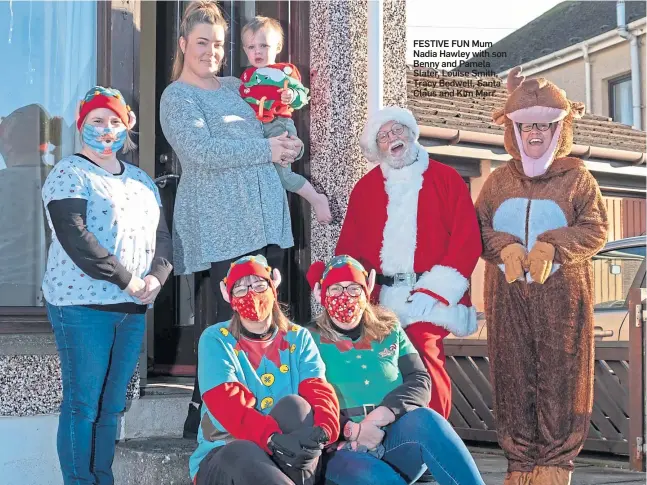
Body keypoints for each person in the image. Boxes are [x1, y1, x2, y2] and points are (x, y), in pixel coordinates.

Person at [158, 0, 303, 438]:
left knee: (268, 318)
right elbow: (201, 153)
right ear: (184, 44)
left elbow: (272, 123)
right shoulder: (176, 97)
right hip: (220, 223)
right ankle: (203, 415)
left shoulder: (237, 85)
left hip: (265, 216)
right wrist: (266, 151)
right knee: (224, 321)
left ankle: (269, 411)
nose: (211, 52)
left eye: (218, 44)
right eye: (202, 42)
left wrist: (288, 141)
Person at [475, 67, 608, 485]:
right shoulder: (497, 181)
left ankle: (553, 468)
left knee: (561, 378)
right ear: (514, 131)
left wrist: (553, 245)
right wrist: (505, 247)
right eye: (527, 126)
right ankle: (518, 468)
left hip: (563, 303)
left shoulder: (577, 178)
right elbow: (477, 228)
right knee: (512, 377)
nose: (535, 133)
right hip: (508, 302)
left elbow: (597, 228)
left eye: (544, 126)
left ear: (559, 128)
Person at [41, 85, 173, 485]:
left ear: (127, 129)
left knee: (111, 405)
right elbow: (76, 236)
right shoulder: (69, 172)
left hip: (131, 309)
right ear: (82, 125)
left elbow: (162, 237)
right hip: (80, 307)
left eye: (115, 121)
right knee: (83, 404)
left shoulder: (141, 180)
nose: (106, 129)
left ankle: (102, 477)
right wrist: (129, 280)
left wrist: (155, 277)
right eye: (97, 120)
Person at [335, 106, 482, 420]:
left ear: (410, 132)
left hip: (429, 293)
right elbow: (349, 248)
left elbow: (466, 239)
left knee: (425, 361)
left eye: (397, 130)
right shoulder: (364, 189)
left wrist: (437, 290)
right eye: (384, 136)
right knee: (380, 370)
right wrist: (341, 285)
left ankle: (436, 437)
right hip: (379, 300)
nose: (393, 139)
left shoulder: (446, 178)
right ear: (378, 148)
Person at [305, 255, 485, 485]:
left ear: (366, 290)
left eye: (353, 288)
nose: (344, 296)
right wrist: (352, 431)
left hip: (391, 436)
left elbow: (419, 380)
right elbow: (305, 402)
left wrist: (377, 419)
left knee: (426, 419)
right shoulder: (307, 339)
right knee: (379, 479)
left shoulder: (390, 329)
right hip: (341, 451)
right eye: (336, 289)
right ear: (322, 294)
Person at [190, 254, 340, 485]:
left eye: (259, 285)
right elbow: (227, 403)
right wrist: (270, 438)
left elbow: (318, 389)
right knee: (241, 451)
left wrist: (324, 430)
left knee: (296, 406)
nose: (251, 294)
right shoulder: (215, 339)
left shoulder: (299, 337)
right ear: (228, 296)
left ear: (273, 287)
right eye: (240, 288)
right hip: (226, 452)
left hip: (285, 457)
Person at [240, 16, 332, 225]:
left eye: (264, 45)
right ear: (245, 50)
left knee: (284, 177)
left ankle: (316, 199)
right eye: (251, 47)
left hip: (278, 126)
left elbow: (301, 94)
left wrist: (291, 95)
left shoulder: (284, 72)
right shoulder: (247, 76)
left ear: (278, 46)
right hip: (257, 130)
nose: (258, 51)